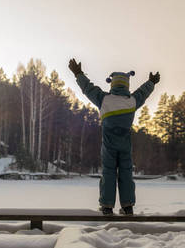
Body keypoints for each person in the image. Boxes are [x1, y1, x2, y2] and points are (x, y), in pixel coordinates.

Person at [68, 58, 160, 216]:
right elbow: (143, 93)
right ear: (126, 85)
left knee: (108, 173)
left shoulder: (104, 99)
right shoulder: (131, 101)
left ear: (113, 84)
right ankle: (127, 206)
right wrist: (151, 82)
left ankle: (107, 206)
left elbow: (88, 88)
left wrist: (78, 73)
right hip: (125, 146)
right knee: (126, 173)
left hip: (109, 146)